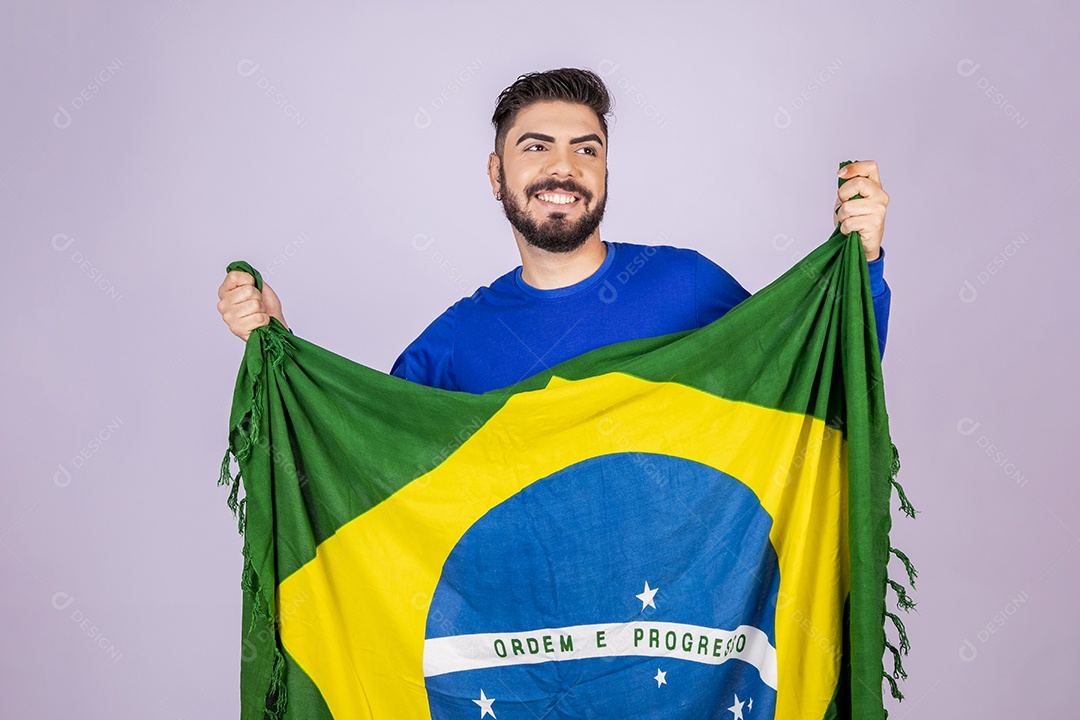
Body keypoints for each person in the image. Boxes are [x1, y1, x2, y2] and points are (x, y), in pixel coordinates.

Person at [217, 68, 891, 393]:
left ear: (606, 168)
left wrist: (861, 263)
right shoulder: (455, 342)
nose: (563, 168)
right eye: (536, 147)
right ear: (495, 172)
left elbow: (819, 383)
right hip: (531, 666)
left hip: (680, 658)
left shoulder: (685, 285)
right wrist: (277, 346)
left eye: (586, 149)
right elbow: (364, 451)